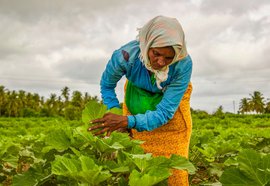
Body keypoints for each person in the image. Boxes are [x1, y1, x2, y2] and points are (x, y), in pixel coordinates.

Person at [88, 15, 193, 186]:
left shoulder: (183, 64)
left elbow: (165, 112)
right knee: (137, 166)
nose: (160, 62)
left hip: (169, 109)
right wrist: (115, 115)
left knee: (174, 173)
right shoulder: (125, 56)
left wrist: (128, 121)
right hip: (136, 95)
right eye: (156, 53)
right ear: (147, 44)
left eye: (168, 58)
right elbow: (107, 85)